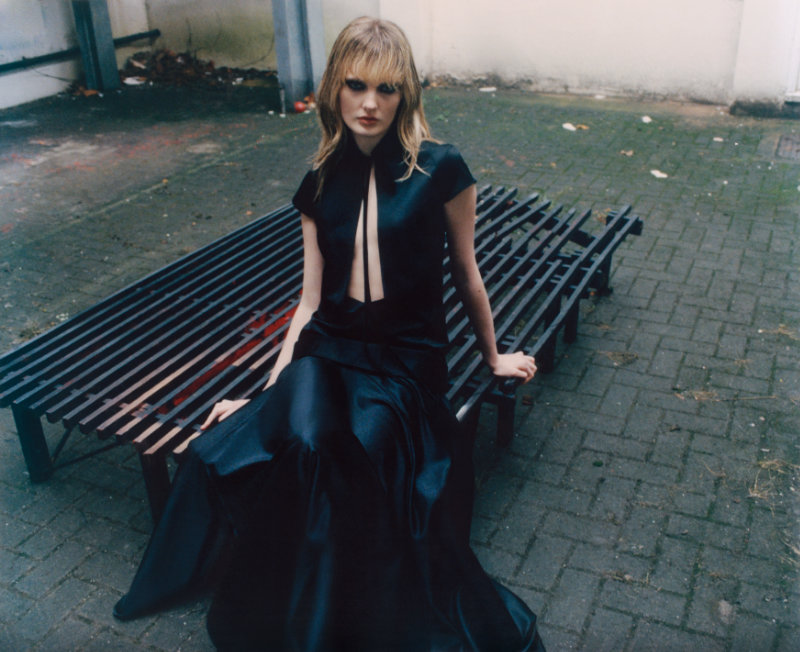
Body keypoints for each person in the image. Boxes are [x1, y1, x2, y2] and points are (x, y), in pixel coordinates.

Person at [114, 16, 545, 651]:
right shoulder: (319, 180)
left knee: (347, 464)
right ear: (334, 88)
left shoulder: (443, 170)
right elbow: (311, 302)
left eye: (386, 88)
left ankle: (315, 628)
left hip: (404, 365)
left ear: (405, 94)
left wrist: (494, 355)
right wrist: (267, 395)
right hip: (330, 352)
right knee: (278, 446)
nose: (370, 103)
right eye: (356, 85)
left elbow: (467, 272)